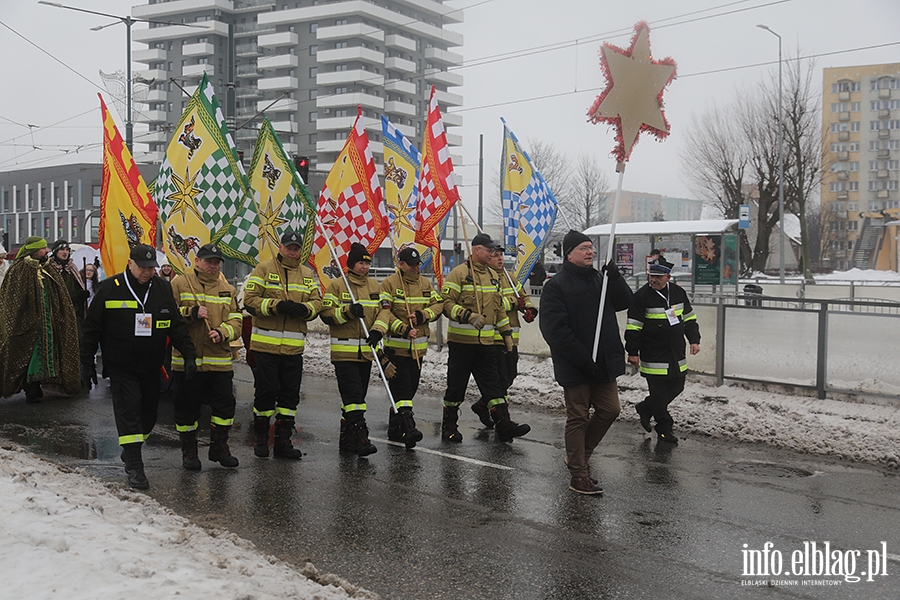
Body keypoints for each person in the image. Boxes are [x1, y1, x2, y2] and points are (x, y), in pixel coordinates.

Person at [81, 244, 196, 489]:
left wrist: (189, 355)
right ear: (130, 263)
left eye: (151, 268)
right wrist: (86, 363)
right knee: (129, 411)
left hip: (151, 365)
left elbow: (176, 326)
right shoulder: (110, 288)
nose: (147, 272)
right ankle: (134, 464)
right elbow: (91, 330)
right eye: (143, 267)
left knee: (149, 415)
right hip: (121, 366)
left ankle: (130, 448)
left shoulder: (163, 288)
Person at [539, 230, 633, 495]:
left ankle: (580, 455)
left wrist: (614, 277)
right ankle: (578, 474)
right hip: (576, 365)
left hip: (603, 363)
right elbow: (555, 331)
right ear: (569, 254)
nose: (590, 252)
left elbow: (625, 302)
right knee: (578, 417)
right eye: (583, 248)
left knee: (610, 410)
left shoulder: (599, 279)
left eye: (591, 247)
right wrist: (583, 360)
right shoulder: (556, 286)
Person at [441, 232, 530, 443]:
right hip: (462, 344)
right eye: (489, 250)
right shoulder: (459, 274)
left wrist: (506, 334)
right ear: (477, 250)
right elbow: (445, 303)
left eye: (493, 250)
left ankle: (503, 424)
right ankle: (449, 426)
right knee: (456, 388)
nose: (492, 253)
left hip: (487, 344)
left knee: (494, 387)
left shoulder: (493, 276)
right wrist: (467, 315)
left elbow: (498, 309)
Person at [243, 231, 322, 460]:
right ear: (280, 247)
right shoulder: (264, 269)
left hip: (293, 349)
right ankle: (261, 438)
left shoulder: (307, 274)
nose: (293, 252)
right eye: (289, 247)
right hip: (266, 346)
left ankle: (283, 441)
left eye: (296, 248)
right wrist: (275, 306)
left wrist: (304, 310)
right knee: (265, 393)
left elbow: (317, 302)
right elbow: (250, 301)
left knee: (289, 397)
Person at [170, 243, 243, 471]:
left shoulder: (227, 289)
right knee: (187, 409)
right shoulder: (180, 283)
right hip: (186, 362)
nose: (212, 266)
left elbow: (236, 322)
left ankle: (219, 447)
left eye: (216, 262)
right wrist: (189, 313)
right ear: (198, 261)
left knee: (224, 408)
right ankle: (189, 452)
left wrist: (223, 332)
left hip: (219, 362)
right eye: (208, 261)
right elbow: (169, 314)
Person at [320, 243, 392, 456]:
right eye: (361, 262)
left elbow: (384, 312)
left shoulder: (374, 286)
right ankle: (361, 438)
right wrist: (348, 311)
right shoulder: (337, 286)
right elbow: (326, 315)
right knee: (354, 399)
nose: (365, 266)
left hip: (366, 354)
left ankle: (347, 439)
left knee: (357, 397)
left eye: (368, 263)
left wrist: (378, 331)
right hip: (344, 353)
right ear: (351, 265)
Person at [626, 256, 701, 444]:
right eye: (651, 276)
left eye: (658, 277)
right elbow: (633, 327)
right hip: (653, 353)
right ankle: (664, 427)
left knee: (677, 387)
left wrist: (694, 340)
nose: (654, 280)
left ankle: (645, 408)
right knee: (659, 395)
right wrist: (632, 352)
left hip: (676, 352)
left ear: (668, 277)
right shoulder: (641, 296)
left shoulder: (678, 293)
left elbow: (690, 318)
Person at [0, 237, 81, 403]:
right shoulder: (19, 269)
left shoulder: (47, 268)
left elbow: (60, 295)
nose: (47, 251)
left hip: (48, 325)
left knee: (45, 356)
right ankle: (31, 387)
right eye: (43, 248)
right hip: (28, 325)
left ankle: (36, 385)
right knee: (28, 357)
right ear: (35, 250)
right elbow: (13, 300)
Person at [378, 246, 442, 448]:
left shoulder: (425, 283)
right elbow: (384, 313)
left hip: (417, 351)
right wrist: (403, 329)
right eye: (411, 264)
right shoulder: (389, 284)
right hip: (396, 349)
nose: (416, 268)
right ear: (401, 264)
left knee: (411, 388)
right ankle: (408, 429)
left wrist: (424, 315)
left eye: (418, 264)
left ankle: (395, 427)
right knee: (403, 390)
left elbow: (438, 304)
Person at [473, 248, 537, 428]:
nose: (499, 258)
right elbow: (494, 303)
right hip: (496, 337)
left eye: (501, 255)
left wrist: (531, 308)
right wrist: (516, 303)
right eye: (495, 255)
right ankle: (503, 418)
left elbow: (522, 296)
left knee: (509, 376)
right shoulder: (486, 277)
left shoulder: (510, 276)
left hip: (512, 338)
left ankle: (482, 405)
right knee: (500, 378)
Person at [49, 240, 89, 342]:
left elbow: (76, 288)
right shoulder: (49, 269)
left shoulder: (72, 268)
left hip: (73, 312)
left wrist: (81, 294)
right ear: (55, 252)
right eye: (62, 250)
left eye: (67, 250)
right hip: (56, 312)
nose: (65, 252)